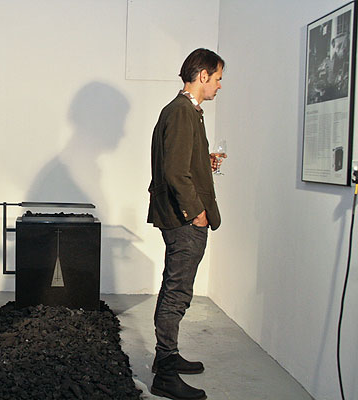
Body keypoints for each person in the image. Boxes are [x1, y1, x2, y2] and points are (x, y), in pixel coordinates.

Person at [147, 48, 225, 400]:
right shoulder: (181, 111)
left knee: (174, 286)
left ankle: (167, 355)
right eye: (218, 78)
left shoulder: (184, 111)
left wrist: (204, 160)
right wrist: (196, 212)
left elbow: (180, 160)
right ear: (203, 75)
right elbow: (175, 172)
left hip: (179, 216)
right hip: (183, 219)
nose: (219, 85)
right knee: (177, 292)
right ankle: (165, 372)